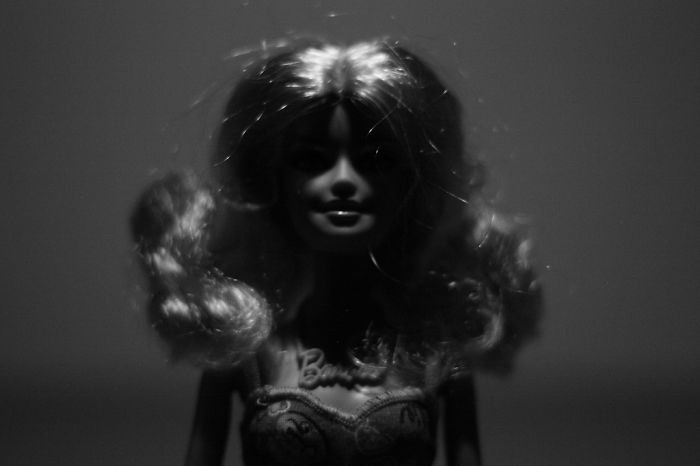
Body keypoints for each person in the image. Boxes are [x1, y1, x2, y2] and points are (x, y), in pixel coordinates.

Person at [132, 39, 540, 466]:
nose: (343, 179)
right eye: (312, 160)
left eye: (374, 160)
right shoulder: (247, 356)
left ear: (412, 185)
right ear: (271, 182)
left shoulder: (437, 356)